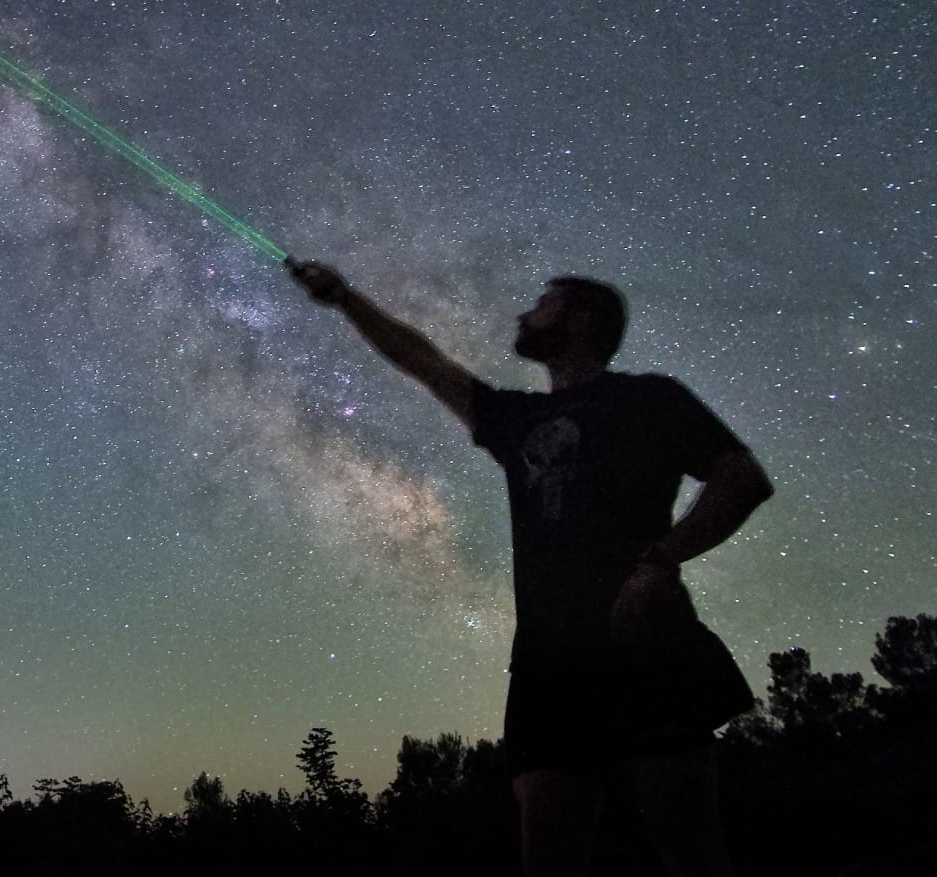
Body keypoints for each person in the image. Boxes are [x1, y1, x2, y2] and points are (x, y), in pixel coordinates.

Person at [287, 260, 773, 877]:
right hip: (549, 664)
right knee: (548, 853)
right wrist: (346, 300)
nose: (523, 313)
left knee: (690, 849)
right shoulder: (517, 419)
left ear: (582, 319)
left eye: (542, 303)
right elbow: (426, 363)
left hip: (643, 645)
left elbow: (742, 478)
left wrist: (659, 561)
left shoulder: (648, 398)